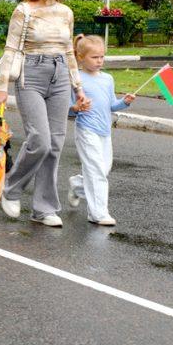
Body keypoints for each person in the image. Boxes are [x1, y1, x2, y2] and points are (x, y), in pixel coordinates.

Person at [0, 0, 90, 227]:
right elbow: (10, 50)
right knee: (41, 140)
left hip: (59, 75)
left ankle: (44, 208)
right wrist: (2, 88)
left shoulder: (66, 12)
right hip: (30, 75)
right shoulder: (24, 11)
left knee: (56, 144)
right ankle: (11, 189)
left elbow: (69, 52)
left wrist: (78, 89)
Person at [67, 35, 135, 226]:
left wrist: (124, 102)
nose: (99, 61)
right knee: (96, 171)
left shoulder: (108, 79)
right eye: (94, 57)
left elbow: (112, 104)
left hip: (105, 131)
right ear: (80, 57)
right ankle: (98, 213)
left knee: (103, 170)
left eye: (102, 57)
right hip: (86, 129)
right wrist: (76, 108)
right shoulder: (77, 80)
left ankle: (78, 184)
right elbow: (70, 107)